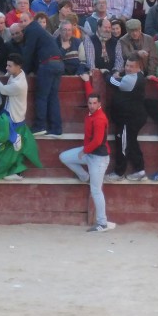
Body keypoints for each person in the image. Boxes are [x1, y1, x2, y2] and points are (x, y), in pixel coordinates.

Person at [61, 75, 114, 232]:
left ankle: (102, 223)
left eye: (94, 103)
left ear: (99, 104)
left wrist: (84, 151)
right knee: (64, 157)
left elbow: (98, 141)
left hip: (98, 158)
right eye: (89, 103)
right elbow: (91, 94)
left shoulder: (99, 119)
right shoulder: (95, 111)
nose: (91, 105)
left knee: (96, 191)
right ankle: (84, 176)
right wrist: (86, 82)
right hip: (90, 155)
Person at [18, 10, 65, 136]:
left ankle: (40, 125)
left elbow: (28, 53)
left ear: (31, 20)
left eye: (25, 20)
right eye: (21, 21)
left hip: (47, 64)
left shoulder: (31, 30)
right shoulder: (40, 30)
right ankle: (56, 128)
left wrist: (23, 72)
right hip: (58, 63)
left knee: (42, 96)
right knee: (53, 97)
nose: (23, 24)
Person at [107, 56, 148, 181]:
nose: (128, 68)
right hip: (132, 117)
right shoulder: (139, 75)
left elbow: (112, 82)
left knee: (123, 145)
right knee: (131, 143)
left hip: (128, 119)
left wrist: (106, 73)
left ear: (138, 67)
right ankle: (140, 170)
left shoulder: (131, 79)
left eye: (132, 66)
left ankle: (119, 172)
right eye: (127, 65)